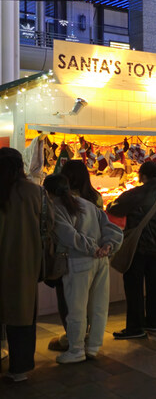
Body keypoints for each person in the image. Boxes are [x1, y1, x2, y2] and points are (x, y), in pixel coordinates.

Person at [43, 174, 122, 364]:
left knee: (76, 308)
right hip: (101, 260)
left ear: (48, 192)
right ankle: (93, 347)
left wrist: (92, 249)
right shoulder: (88, 204)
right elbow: (111, 228)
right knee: (98, 306)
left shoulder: (55, 208)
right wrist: (107, 246)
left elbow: (68, 235)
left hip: (78, 261)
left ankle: (76, 350)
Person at [107, 161, 156, 340]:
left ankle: (135, 327)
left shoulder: (135, 193)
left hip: (139, 247)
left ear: (142, 176)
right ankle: (154, 322)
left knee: (134, 287)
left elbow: (114, 209)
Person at [0, 148, 51, 382]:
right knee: (22, 316)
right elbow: (49, 225)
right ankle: (19, 369)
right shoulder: (36, 192)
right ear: (20, 166)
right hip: (24, 263)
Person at [44, 160, 104, 353]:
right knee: (91, 303)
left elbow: (65, 233)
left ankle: (73, 341)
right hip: (95, 258)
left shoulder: (62, 201)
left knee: (69, 302)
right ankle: (87, 340)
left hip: (71, 257)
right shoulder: (95, 197)